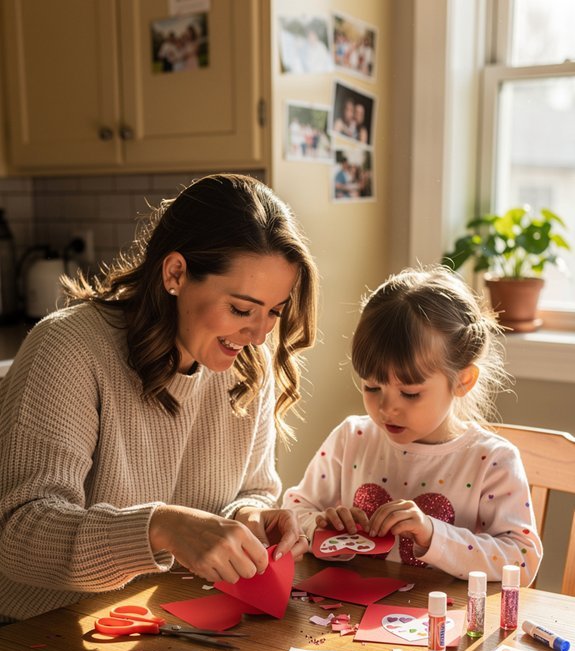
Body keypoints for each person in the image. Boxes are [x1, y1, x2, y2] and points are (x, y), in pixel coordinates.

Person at [0, 173, 319, 622]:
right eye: (242, 310)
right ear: (175, 273)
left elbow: (252, 488)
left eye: (274, 312)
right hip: (39, 630)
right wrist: (161, 527)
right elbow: (21, 536)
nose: (259, 333)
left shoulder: (248, 364)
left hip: (159, 621)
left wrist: (250, 517)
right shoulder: (69, 348)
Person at [283, 265, 542, 585]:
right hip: (346, 618)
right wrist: (319, 524)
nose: (387, 407)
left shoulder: (492, 462)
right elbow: (293, 512)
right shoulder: (352, 438)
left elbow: (522, 559)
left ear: (462, 381)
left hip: (442, 624)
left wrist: (434, 534)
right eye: (372, 387)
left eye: (410, 393)